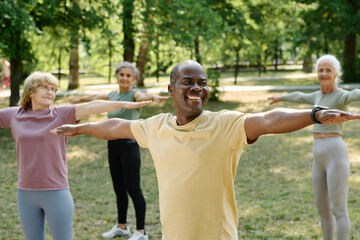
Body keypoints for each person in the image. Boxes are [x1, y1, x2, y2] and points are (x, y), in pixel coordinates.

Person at [51, 60, 360, 240]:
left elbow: (267, 120)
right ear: (172, 89)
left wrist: (314, 114)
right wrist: (81, 128)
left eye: (203, 82)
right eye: (187, 82)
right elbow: (116, 127)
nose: (197, 87)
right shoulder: (156, 127)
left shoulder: (224, 125)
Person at [0, 71, 151, 240]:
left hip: (56, 192)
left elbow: (92, 106)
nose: (50, 92)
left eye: (53, 89)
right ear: (30, 91)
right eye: (45, 87)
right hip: (25, 193)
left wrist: (123, 104)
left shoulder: (59, 114)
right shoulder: (15, 115)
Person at [71, 61, 167, 240]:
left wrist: (152, 97)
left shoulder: (133, 94)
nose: (124, 78)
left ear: (134, 79)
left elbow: (141, 96)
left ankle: (141, 232)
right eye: (121, 74)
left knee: (134, 189)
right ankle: (122, 227)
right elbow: (96, 97)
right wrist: (80, 100)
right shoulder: (113, 94)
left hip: (129, 147)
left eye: (128, 75)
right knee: (119, 189)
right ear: (117, 76)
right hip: (113, 147)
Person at [268, 54, 360, 240]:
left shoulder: (341, 95)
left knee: (338, 209)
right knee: (323, 210)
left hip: (335, 152)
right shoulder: (317, 96)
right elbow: (299, 96)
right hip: (318, 156)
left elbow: (355, 94)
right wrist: (280, 97)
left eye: (328, 70)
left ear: (336, 74)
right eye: (320, 69)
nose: (324, 73)